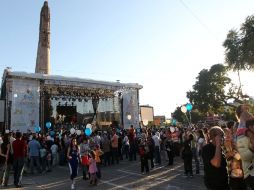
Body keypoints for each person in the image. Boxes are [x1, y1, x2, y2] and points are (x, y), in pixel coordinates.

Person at [237, 118, 254, 189]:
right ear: (251, 127)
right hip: (251, 174)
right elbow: (245, 157)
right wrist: (252, 147)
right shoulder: (241, 140)